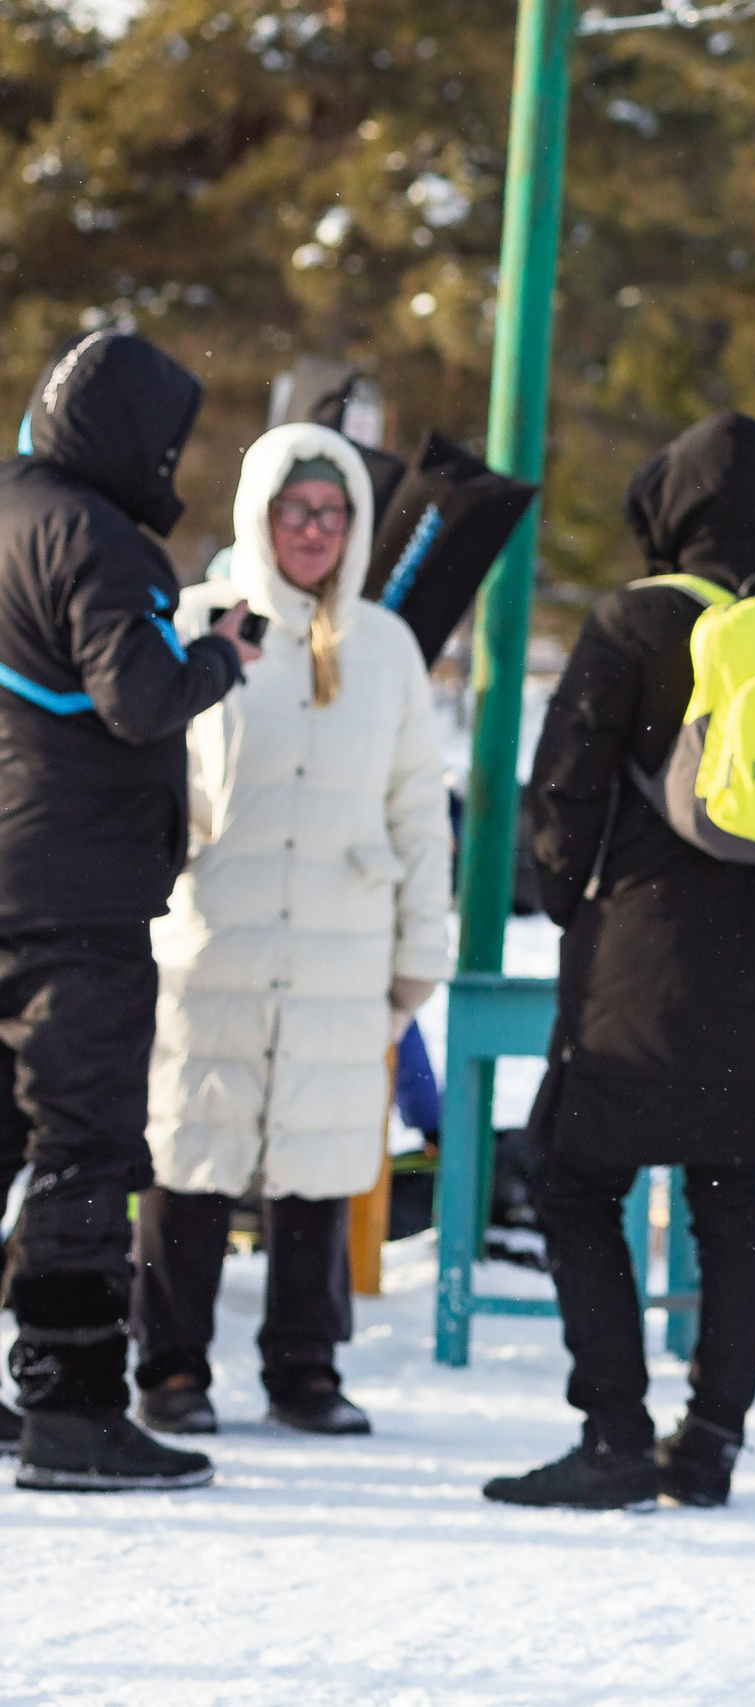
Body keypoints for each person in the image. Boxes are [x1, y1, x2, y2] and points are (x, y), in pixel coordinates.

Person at [485, 411, 755, 1510]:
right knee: (731, 1200)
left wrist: (580, 902)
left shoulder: (633, 623)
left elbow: (559, 789)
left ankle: (614, 1430)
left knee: (572, 1181)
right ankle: (708, 1443)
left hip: (635, 964)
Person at [128, 423, 451, 1439]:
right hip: (214, 934)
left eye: (333, 511)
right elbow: (157, 784)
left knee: (320, 1157)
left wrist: (416, 956)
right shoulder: (199, 622)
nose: (313, 530)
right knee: (189, 1155)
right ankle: (171, 1364)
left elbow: (416, 808)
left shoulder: (389, 647)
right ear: (259, 513)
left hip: (341, 941)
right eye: (294, 509)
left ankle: (304, 1367)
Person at [0, 331, 256, 1491]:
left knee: (6, 1135)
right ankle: (74, 1409)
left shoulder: (9, 508)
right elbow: (140, 697)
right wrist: (216, 656)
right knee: (83, 1145)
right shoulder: (102, 539)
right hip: (77, 893)